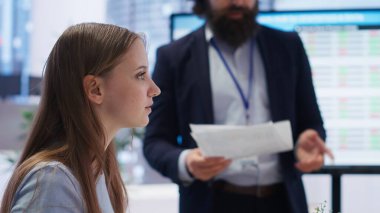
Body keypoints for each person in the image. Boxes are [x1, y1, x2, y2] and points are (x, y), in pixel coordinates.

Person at [143, 0, 334, 213]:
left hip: (283, 201)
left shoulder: (288, 46)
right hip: (212, 202)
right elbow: (154, 142)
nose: (238, 2)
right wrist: (187, 162)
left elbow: (312, 122)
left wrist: (307, 141)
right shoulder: (174, 57)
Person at [0, 23, 160, 213]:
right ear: (95, 89)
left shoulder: (98, 170)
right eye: (140, 75)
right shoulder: (53, 182)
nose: (155, 90)